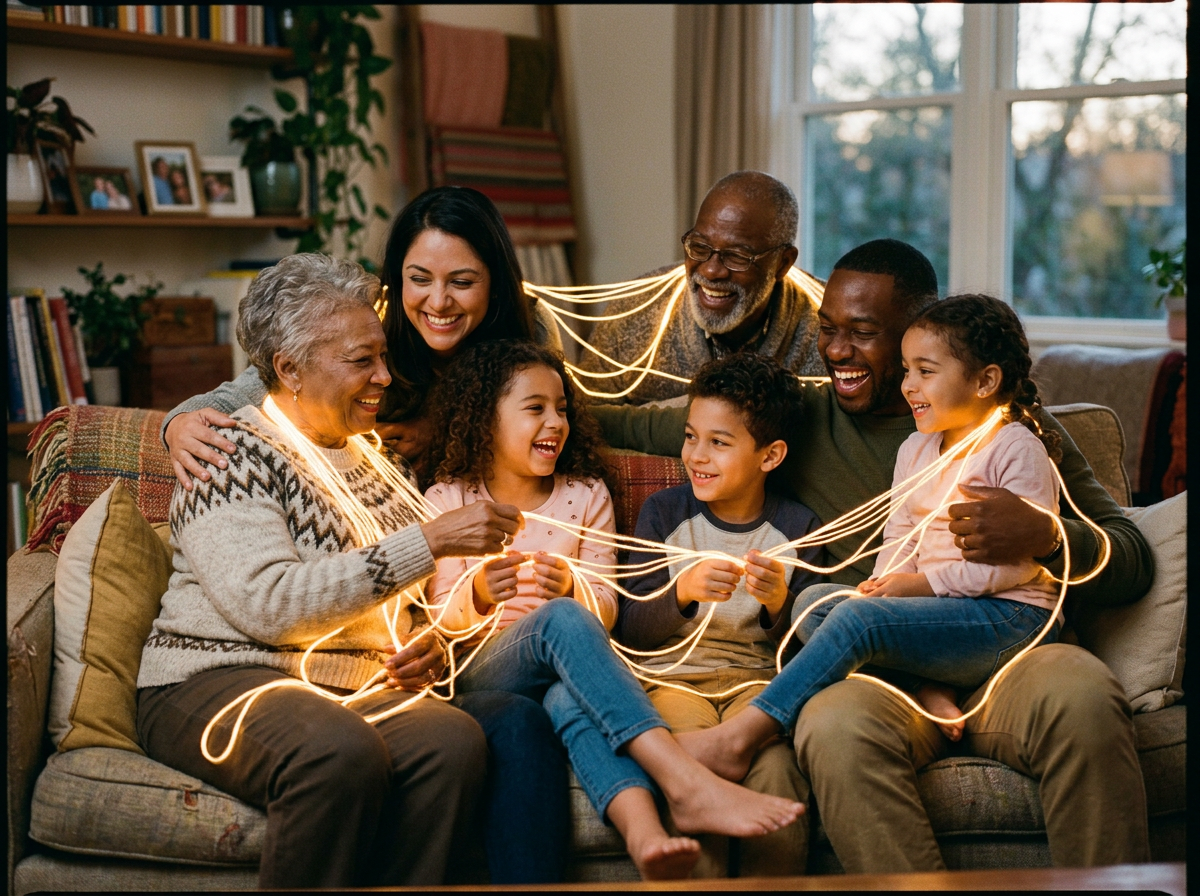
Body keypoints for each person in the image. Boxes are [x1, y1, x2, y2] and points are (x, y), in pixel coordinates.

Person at [590, 237, 1154, 871]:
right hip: (879, 671)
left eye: (863, 333)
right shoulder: (802, 417)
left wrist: (1049, 539)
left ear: (920, 333)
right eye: (827, 329)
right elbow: (653, 426)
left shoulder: (1015, 428)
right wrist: (538, 412)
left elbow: (1132, 557)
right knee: (831, 724)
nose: (836, 350)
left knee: (1084, 699)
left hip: (1010, 653)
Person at [154, 188, 573, 884]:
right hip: (215, 674)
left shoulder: (376, 456)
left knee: (452, 739)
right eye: (363, 363)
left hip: (343, 681)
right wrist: (430, 541)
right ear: (288, 370)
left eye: (383, 357)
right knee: (337, 751)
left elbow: (408, 606)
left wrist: (430, 646)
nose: (386, 377)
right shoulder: (230, 449)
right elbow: (270, 604)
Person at [420, 339, 806, 881]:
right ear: (485, 419)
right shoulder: (448, 500)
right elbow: (438, 621)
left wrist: (574, 590)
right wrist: (480, 593)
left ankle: (645, 833)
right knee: (561, 620)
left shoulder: (585, 493)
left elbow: (606, 609)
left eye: (562, 408)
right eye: (536, 409)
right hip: (487, 666)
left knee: (566, 692)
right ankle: (682, 779)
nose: (555, 421)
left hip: (569, 675)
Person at [681, 293, 1070, 784]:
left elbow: (1016, 568)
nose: (909, 386)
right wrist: (884, 584)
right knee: (816, 603)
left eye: (925, 371)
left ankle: (744, 735)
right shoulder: (916, 447)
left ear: (985, 381)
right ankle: (922, 685)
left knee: (861, 621)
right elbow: (901, 537)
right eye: (906, 370)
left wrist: (916, 589)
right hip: (943, 613)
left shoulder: (1015, 447)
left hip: (1012, 616)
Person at [161, 185, 563, 488]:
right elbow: (254, 388)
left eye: (461, 282)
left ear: (495, 283)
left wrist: (439, 428)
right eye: (419, 279)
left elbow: (556, 421)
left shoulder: (531, 328)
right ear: (397, 277)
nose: (438, 302)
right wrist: (177, 424)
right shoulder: (375, 321)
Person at [616, 352, 823, 878]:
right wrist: (680, 592)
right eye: (690, 436)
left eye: (719, 442)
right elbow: (631, 629)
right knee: (688, 765)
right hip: (676, 684)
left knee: (776, 771)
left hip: (757, 687)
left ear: (770, 456)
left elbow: (810, 656)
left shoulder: (799, 528)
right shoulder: (663, 513)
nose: (697, 456)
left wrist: (780, 602)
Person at [576, 171, 824, 404]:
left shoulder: (830, 329)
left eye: (737, 256)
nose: (710, 271)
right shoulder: (631, 313)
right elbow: (587, 425)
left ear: (783, 263)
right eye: (699, 247)